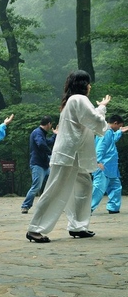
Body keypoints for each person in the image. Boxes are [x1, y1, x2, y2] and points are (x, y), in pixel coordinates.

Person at [26, 70, 109, 243]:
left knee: (84, 186)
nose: (90, 86)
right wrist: (102, 106)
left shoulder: (73, 101)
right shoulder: (79, 99)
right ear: (83, 85)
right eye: (88, 83)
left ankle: (78, 226)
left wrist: (98, 109)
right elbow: (95, 120)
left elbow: (88, 120)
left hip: (74, 155)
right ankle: (35, 229)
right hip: (68, 154)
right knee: (55, 189)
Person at [90, 115, 128, 214]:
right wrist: (98, 161)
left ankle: (113, 207)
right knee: (98, 188)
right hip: (103, 165)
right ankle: (88, 208)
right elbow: (100, 147)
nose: (119, 128)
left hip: (111, 166)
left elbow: (111, 140)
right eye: (119, 126)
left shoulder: (108, 132)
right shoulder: (106, 132)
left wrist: (120, 131)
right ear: (115, 123)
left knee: (116, 187)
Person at [20, 116, 57, 214]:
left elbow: (48, 142)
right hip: (38, 165)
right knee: (36, 186)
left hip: (44, 165)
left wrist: (55, 135)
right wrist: (50, 153)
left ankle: (50, 204)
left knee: (53, 182)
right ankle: (25, 206)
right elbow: (41, 144)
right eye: (51, 124)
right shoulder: (37, 132)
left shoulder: (41, 133)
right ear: (48, 124)